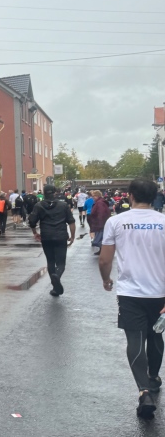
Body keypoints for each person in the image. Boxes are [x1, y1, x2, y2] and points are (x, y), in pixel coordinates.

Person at [98, 178, 165, 419]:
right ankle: (154, 377)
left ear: (130, 196)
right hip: (159, 293)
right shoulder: (163, 221)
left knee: (135, 339)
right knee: (156, 335)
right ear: (154, 196)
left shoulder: (116, 222)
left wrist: (106, 279)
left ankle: (144, 391)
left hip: (130, 293)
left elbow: (105, 259)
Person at [29, 184, 75, 297]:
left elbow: (32, 221)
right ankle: (57, 276)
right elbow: (71, 222)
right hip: (61, 236)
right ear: (55, 192)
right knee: (61, 262)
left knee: (50, 261)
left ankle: (55, 287)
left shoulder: (39, 206)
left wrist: (35, 232)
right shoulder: (63, 205)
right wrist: (72, 236)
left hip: (46, 236)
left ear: (44, 193)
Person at [88, 190, 110, 256]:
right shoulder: (100, 202)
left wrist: (100, 223)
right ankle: (102, 250)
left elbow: (101, 213)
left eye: (94, 196)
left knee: (99, 239)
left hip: (100, 223)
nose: (93, 198)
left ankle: (104, 251)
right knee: (101, 238)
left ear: (97, 196)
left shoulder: (99, 203)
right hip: (101, 223)